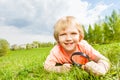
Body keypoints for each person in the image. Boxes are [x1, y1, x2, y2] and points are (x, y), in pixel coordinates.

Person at [44, 16, 110, 76]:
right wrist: (60, 69)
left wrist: (101, 68)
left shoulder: (83, 46)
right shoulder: (56, 51)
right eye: (63, 34)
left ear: (80, 36)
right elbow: (47, 66)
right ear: (57, 38)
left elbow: (103, 59)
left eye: (73, 33)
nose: (68, 39)